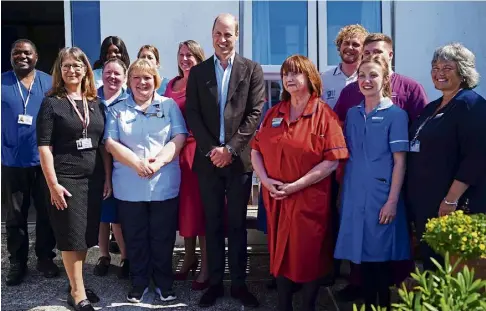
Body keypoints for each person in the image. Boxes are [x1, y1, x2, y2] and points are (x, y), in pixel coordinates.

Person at [333, 33, 428, 301]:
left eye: (373, 75)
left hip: (382, 197)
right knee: (360, 255)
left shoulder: (395, 115)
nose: (366, 80)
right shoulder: (352, 114)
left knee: (381, 257)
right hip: (354, 194)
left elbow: (400, 161)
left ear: (385, 78)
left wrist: (392, 201)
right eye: (362, 75)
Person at [251, 55, 349, 311]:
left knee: (308, 256)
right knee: (280, 253)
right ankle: (284, 305)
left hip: (308, 200)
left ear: (310, 78)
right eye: (285, 74)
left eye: (296, 73)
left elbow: (332, 162)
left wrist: (296, 186)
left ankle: (307, 306)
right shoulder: (274, 112)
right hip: (276, 198)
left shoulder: (324, 115)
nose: (289, 79)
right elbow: (255, 150)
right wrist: (265, 181)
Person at [186, 13, 265, 308]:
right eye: (218, 34)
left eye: (228, 34)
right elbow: (192, 113)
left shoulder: (251, 69)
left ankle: (240, 284)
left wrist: (230, 149)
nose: (223, 39)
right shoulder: (199, 72)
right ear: (212, 34)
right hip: (208, 162)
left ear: (237, 35)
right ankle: (216, 284)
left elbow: (255, 113)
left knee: (237, 225)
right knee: (213, 223)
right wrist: (212, 150)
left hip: (238, 162)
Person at [104, 59, 188, 303]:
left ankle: (164, 283)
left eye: (147, 77)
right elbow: (110, 143)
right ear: (129, 82)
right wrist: (137, 164)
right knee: (136, 237)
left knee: (162, 238)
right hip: (130, 186)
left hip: (163, 184)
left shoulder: (169, 105)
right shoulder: (117, 108)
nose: (142, 82)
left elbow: (180, 136)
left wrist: (159, 162)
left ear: (156, 81)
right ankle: (139, 282)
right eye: (137, 78)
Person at [37, 47, 110, 311]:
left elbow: (102, 145)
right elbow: (44, 147)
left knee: (84, 236)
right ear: (60, 70)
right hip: (65, 179)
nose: (72, 70)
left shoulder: (95, 103)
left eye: (77, 66)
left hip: (93, 179)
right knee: (70, 236)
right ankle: (78, 292)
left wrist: (108, 178)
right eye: (66, 66)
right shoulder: (51, 103)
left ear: (86, 70)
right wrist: (53, 184)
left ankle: (75, 283)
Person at [406, 43, 486, 271]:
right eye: (435, 67)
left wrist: (451, 199)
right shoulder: (432, 106)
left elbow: (476, 157)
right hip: (427, 204)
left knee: (452, 267)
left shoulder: (472, 105)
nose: (439, 72)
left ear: (463, 71)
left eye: (447, 67)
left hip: (453, 206)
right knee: (432, 265)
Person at [1, 39, 59, 286]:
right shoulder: (2, 82)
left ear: (36, 57)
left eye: (26, 53)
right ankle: (17, 262)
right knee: (15, 216)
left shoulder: (49, 83)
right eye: (16, 53)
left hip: (43, 161)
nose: (21, 56)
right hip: (11, 160)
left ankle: (45, 257)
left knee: (47, 213)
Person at [163, 40, 210, 290]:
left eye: (190, 55)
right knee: (184, 209)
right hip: (174, 153)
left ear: (199, 58)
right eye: (181, 54)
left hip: (196, 151)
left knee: (199, 208)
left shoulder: (204, 83)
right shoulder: (171, 84)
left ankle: (205, 264)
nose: (185, 59)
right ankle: (189, 255)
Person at [93, 58, 130, 279]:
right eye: (108, 72)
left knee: (116, 215)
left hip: (122, 164)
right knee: (102, 214)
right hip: (96, 164)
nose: (112, 77)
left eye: (117, 73)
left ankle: (125, 257)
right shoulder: (92, 97)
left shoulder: (129, 99)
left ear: (124, 77)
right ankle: (104, 255)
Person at [321, 24, 368, 109]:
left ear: (364, 50)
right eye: (346, 43)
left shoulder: (369, 79)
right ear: (339, 47)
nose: (350, 47)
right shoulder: (324, 79)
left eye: (355, 44)